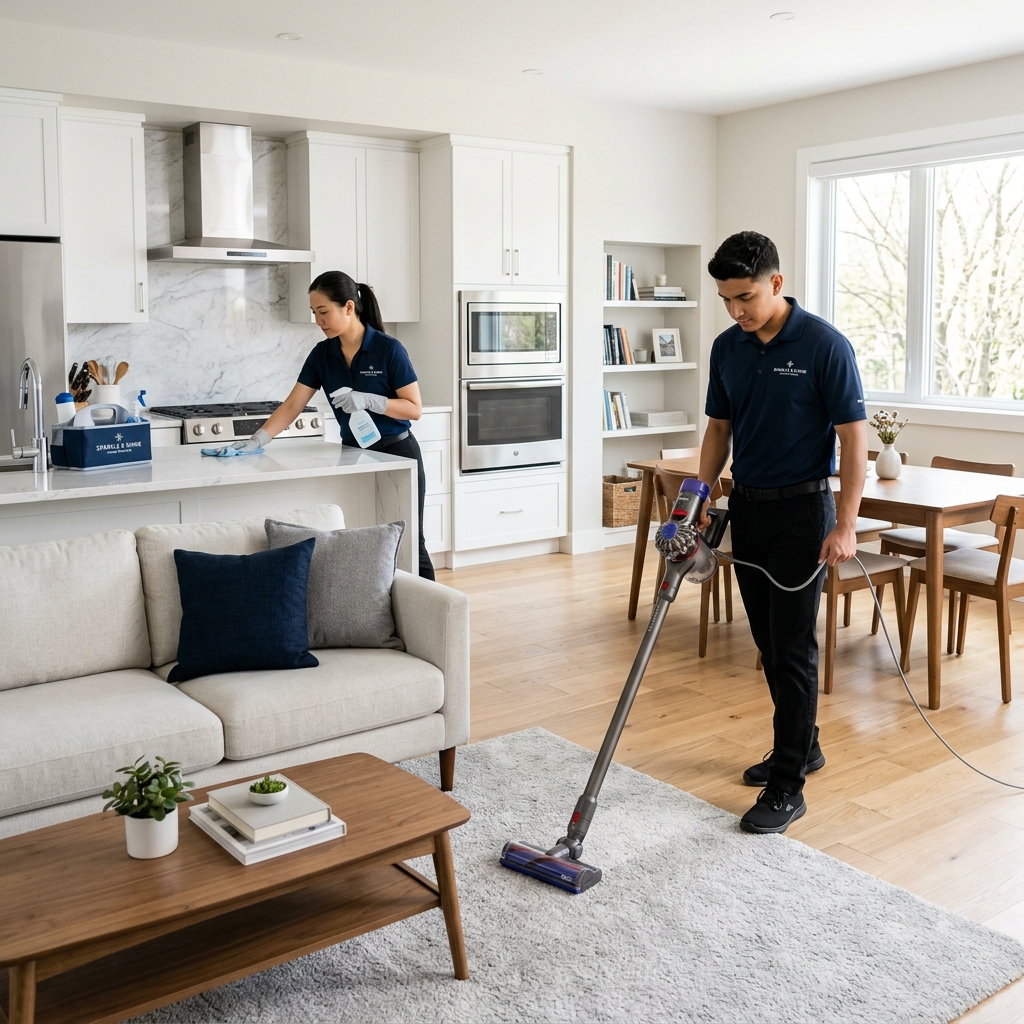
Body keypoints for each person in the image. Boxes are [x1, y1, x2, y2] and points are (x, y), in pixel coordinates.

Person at [696, 231, 867, 834]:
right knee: (768, 643)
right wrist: (697, 494)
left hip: (804, 513)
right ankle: (806, 744)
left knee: (793, 648)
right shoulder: (728, 348)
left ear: (776, 282)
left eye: (744, 297)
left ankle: (789, 782)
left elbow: (853, 440)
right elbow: (719, 428)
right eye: (726, 300)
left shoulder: (825, 346)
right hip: (749, 509)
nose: (737, 311)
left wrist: (846, 524)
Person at [235, 270, 435, 580]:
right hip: (354, 456)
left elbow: (414, 409)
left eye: (323, 311)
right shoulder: (322, 355)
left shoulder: (388, 349)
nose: (318, 320)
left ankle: (427, 621)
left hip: (398, 455)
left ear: (349, 307)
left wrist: (372, 400)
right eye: (314, 313)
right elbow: (292, 405)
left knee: (409, 541)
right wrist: (258, 439)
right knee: (360, 542)